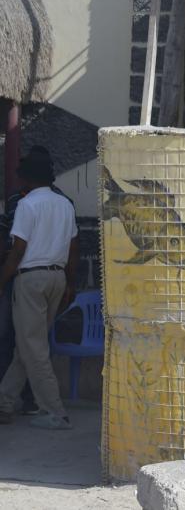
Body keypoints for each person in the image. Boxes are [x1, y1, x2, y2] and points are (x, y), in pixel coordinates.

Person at [0, 150, 78, 428]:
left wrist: (2, 280)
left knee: (34, 348)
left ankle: (54, 412)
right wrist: (71, 283)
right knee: (28, 346)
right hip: (57, 278)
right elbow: (73, 248)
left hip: (31, 279)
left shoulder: (27, 205)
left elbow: (17, 250)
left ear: (26, 179)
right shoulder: (64, 204)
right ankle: (4, 402)